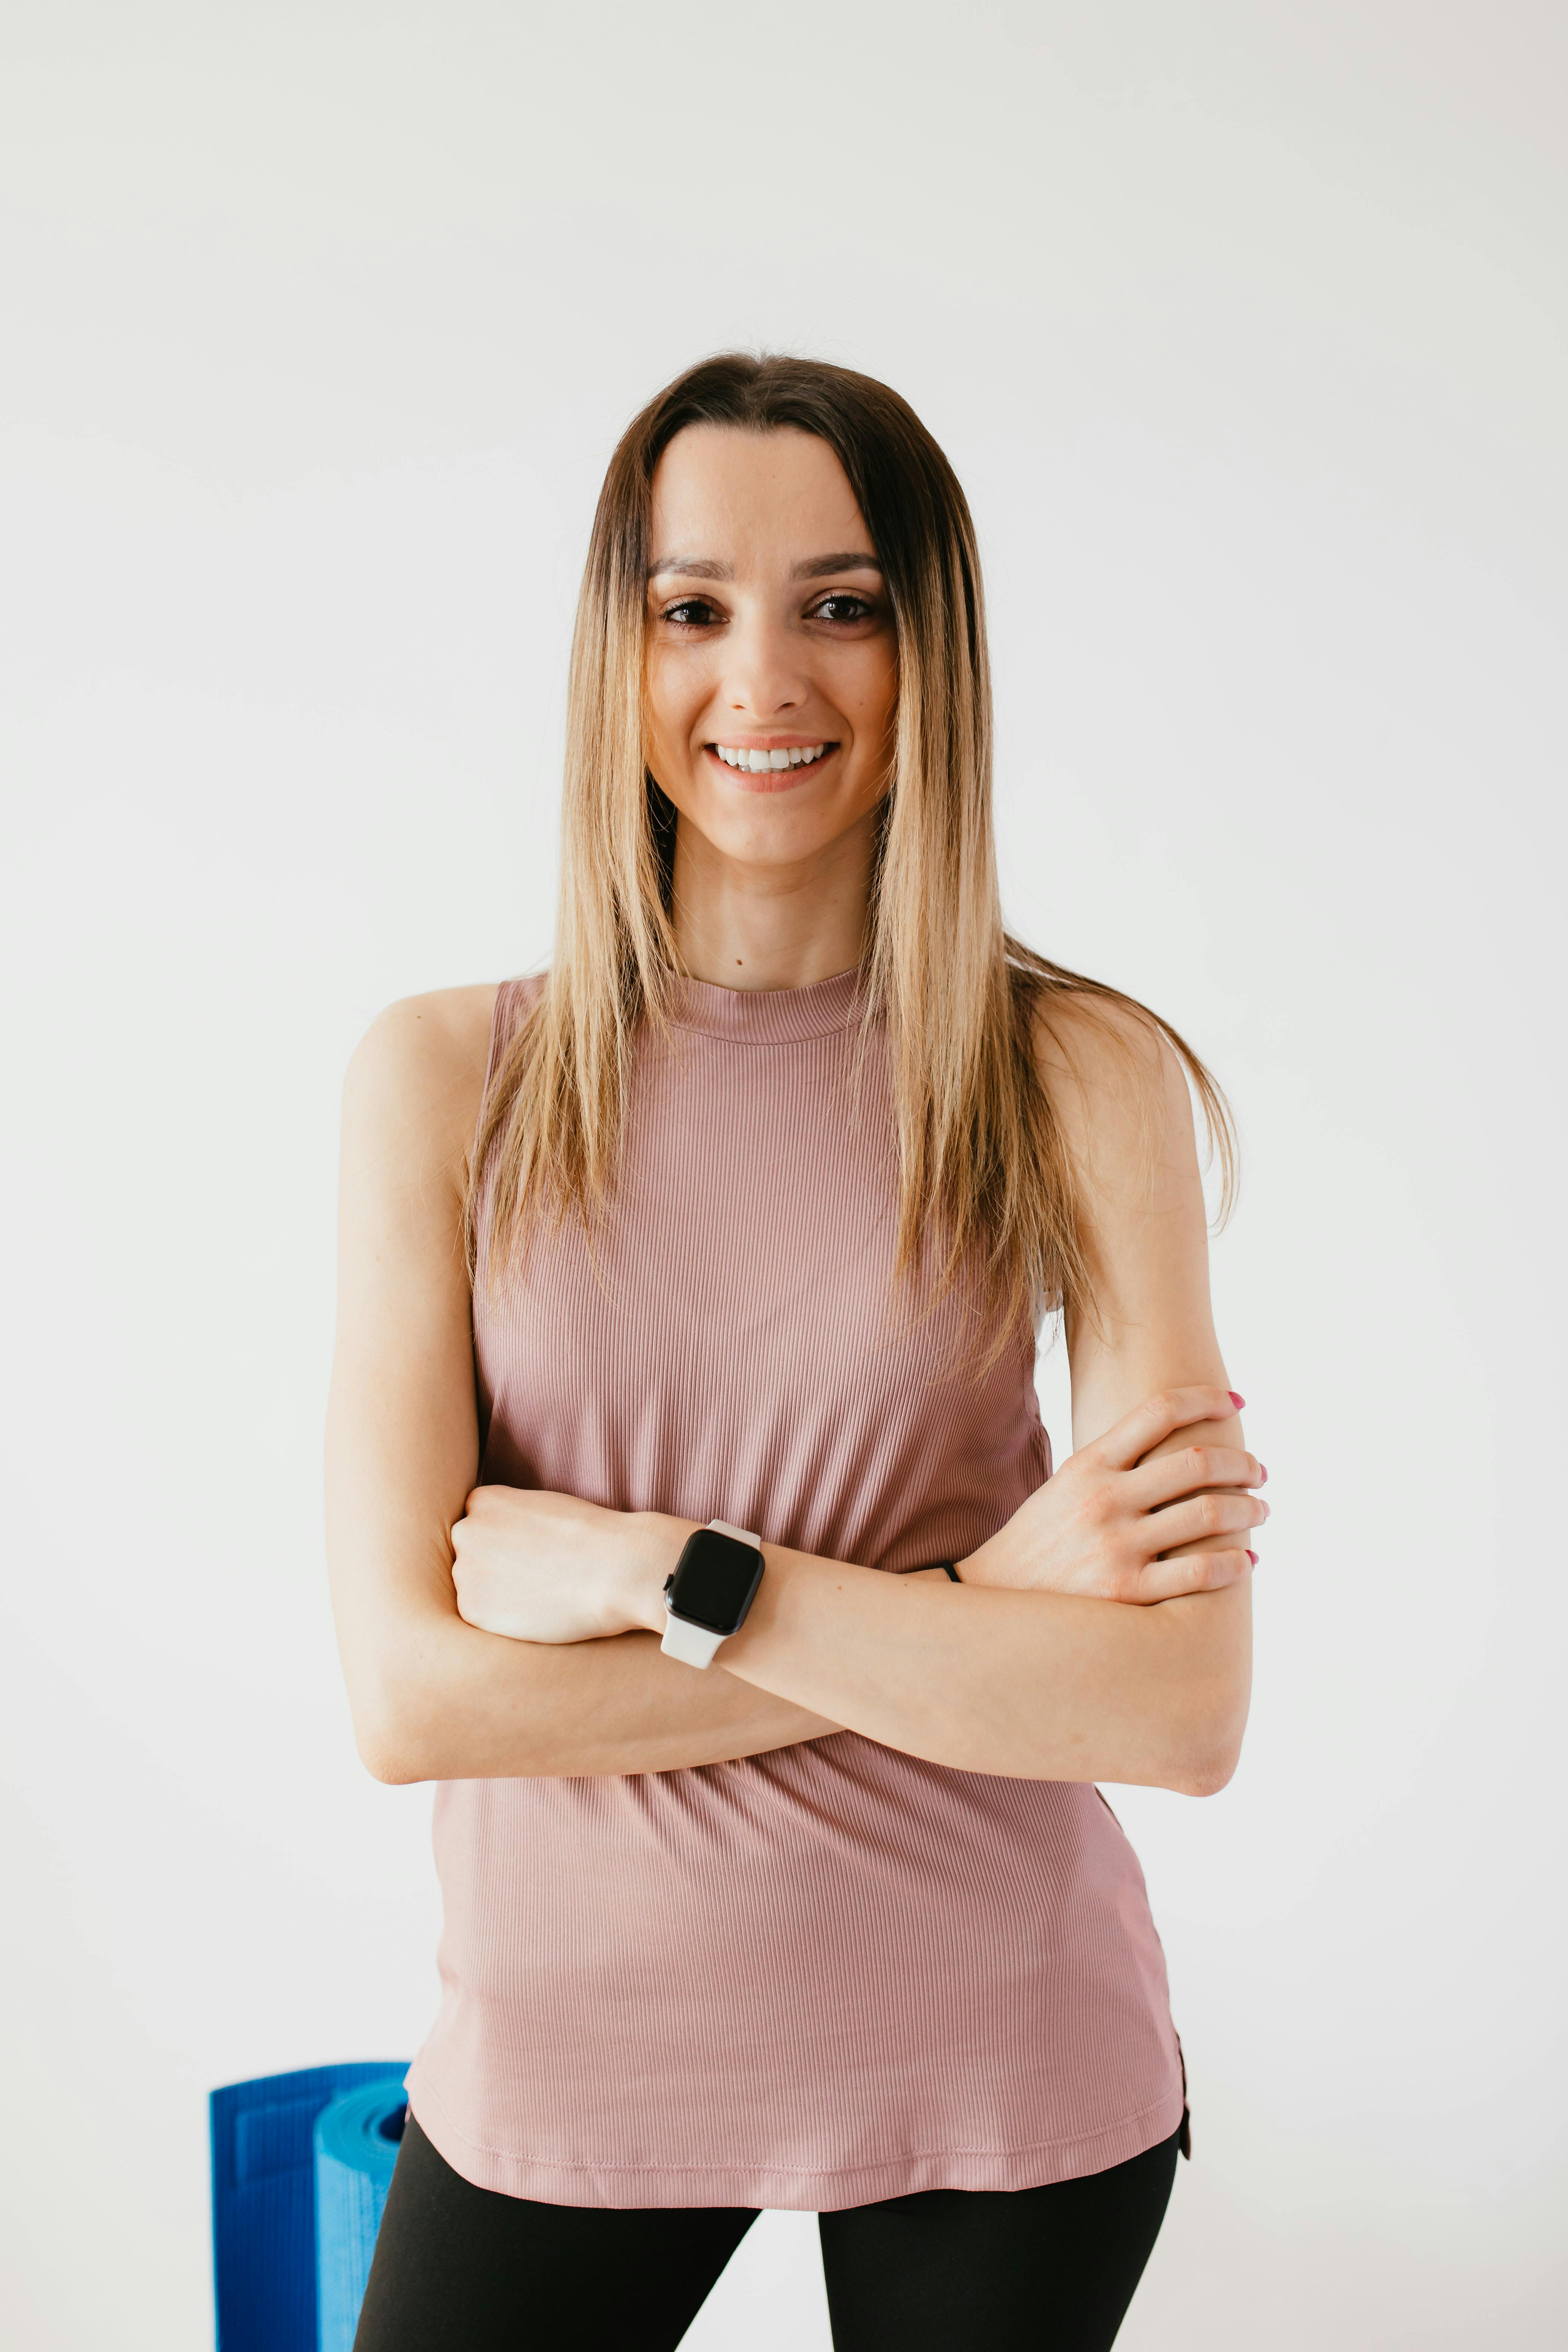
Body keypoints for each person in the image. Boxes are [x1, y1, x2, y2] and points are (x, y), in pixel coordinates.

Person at [325, 353, 1265, 2352]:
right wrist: (964, 1617)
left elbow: (1179, 1710)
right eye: (694, 609)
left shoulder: (1073, 1075)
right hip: (561, 2063)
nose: (765, 681)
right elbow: (413, 1697)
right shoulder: (445, 1081)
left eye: (843, 605)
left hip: (1000, 2047)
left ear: (933, 652)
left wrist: (655, 1580)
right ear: (620, 651)